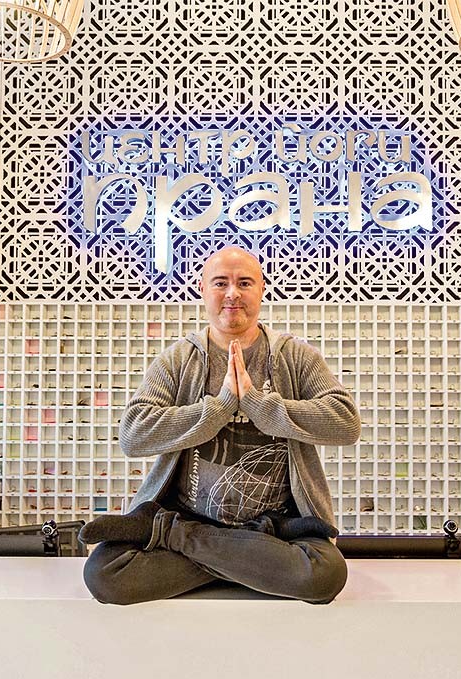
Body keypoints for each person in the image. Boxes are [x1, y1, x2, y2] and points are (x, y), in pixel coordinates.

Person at [80, 246, 361, 604]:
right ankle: (251, 564)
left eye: (244, 283)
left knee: (326, 574)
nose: (232, 293)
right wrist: (221, 406)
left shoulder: (294, 356)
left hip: (276, 524)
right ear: (203, 289)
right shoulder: (179, 359)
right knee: (105, 573)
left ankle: (175, 537)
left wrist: (258, 405)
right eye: (220, 283)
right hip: (194, 515)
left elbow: (345, 421)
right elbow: (133, 434)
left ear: (261, 289)